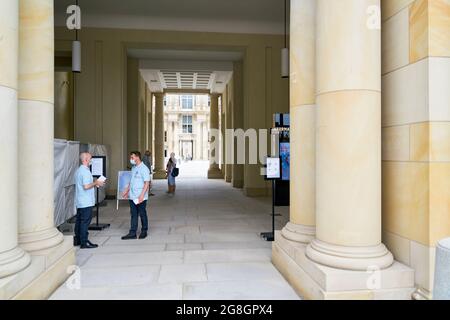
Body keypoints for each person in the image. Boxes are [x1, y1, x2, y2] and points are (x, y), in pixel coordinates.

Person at [74, 152, 105, 249]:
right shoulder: (85, 172)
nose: (92, 160)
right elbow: (86, 186)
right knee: (85, 222)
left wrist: (95, 184)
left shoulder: (79, 170)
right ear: (86, 159)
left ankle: (78, 240)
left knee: (79, 221)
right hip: (86, 201)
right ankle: (84, 242)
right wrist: (96, 182)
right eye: (90, 158)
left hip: (80, 200)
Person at [121, 151, 151, 240]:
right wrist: (127, 190)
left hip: (140, 196)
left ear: (137, 157)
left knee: (142, 213)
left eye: (132, 157)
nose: (131, 159)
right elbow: (132, 181)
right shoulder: (133, 168)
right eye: (131, 158)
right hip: (133, 196)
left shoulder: (144, 168)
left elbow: (146, 183)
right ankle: (132, 232)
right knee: (133, 214)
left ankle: (144, 231)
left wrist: (142, 196)